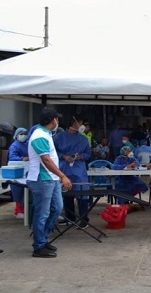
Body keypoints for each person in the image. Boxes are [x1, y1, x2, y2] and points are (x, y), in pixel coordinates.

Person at [27, 107, 72, 258]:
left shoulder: (46, 134)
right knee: (42, 213)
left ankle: (43, 239)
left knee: (57, 209)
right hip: (42, 178)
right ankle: (39, 246)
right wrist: (63, 176)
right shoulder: (39, 135)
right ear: (53, 120)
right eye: (57, 119)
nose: (58, 121)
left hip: (50, 179)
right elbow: (46, 160)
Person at [54, 117, 92, 228]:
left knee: (82, 194)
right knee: (67, 194)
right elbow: (53, 152)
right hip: (64, 169)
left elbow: (88, 154)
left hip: (79, 170)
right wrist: (64, 156)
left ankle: (83, 219)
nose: (82, 126)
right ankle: (70, 218)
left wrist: (81, 156)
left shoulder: (83, 139)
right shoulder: (58, 138)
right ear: (73, 124)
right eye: (80, 123)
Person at [8, 127, 29, 218]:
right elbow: (12, 157)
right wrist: (22, 159)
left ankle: (26, 209)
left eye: (25, 134)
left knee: (27, 192)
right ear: (16, 136)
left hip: (27, 171)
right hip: (17, 171)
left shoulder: (28, 144)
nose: (23, 136)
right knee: (18, 190)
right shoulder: (14, 146)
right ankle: (18, 210)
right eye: (21, 134)